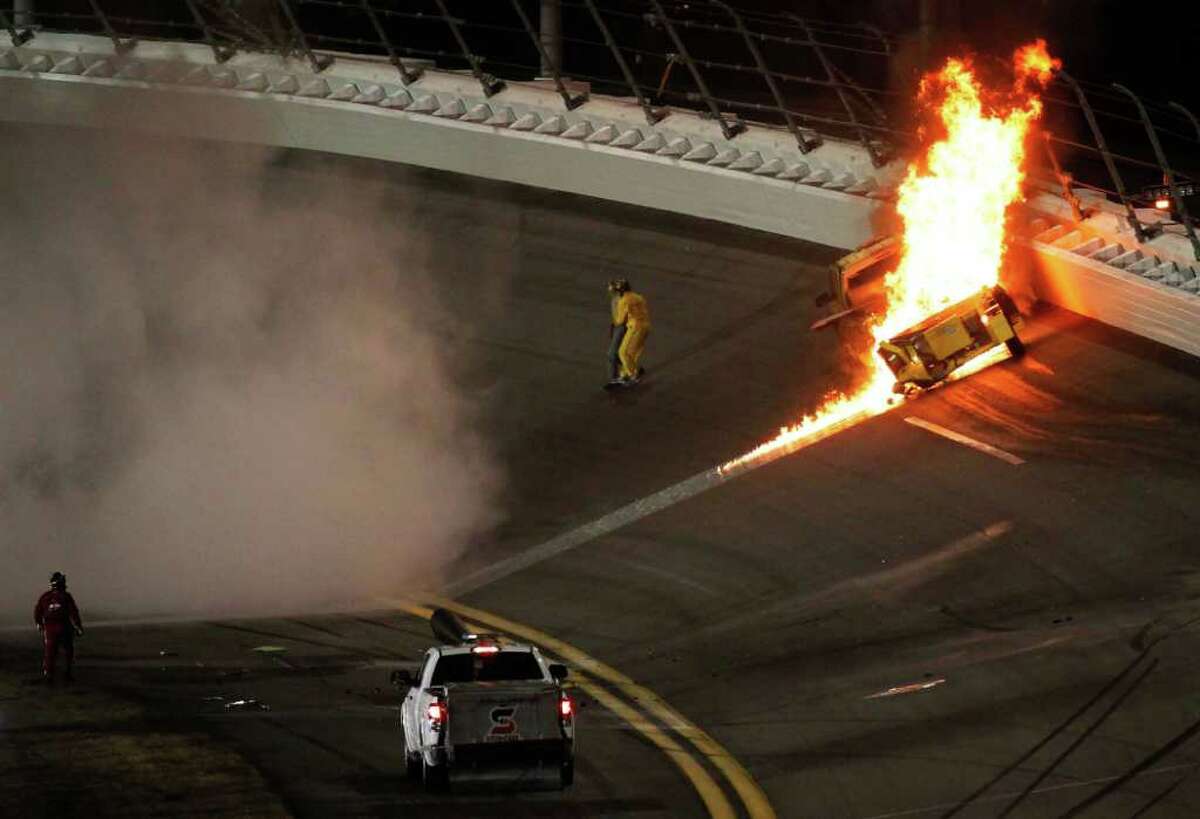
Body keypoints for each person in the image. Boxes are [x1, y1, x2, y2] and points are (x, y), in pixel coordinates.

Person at [34, 572, 83, 684]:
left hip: (56, 627)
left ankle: (53, 674)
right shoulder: (60, 596)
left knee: (54, 651)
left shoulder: (48, 596)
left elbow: (38, 611)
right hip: (58, 627)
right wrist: (78, 626)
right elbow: (73, 612)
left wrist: (38, 623)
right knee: (62, 651)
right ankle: (61, 673)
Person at [606, 278, 650, 387]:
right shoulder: (638, 297)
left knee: (622, 352)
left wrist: (614, 324)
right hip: (646, 325)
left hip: (635, 327)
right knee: (631, 353)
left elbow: (620, 320)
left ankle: (633, 376)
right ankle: (624, 374)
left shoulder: (623, 301)